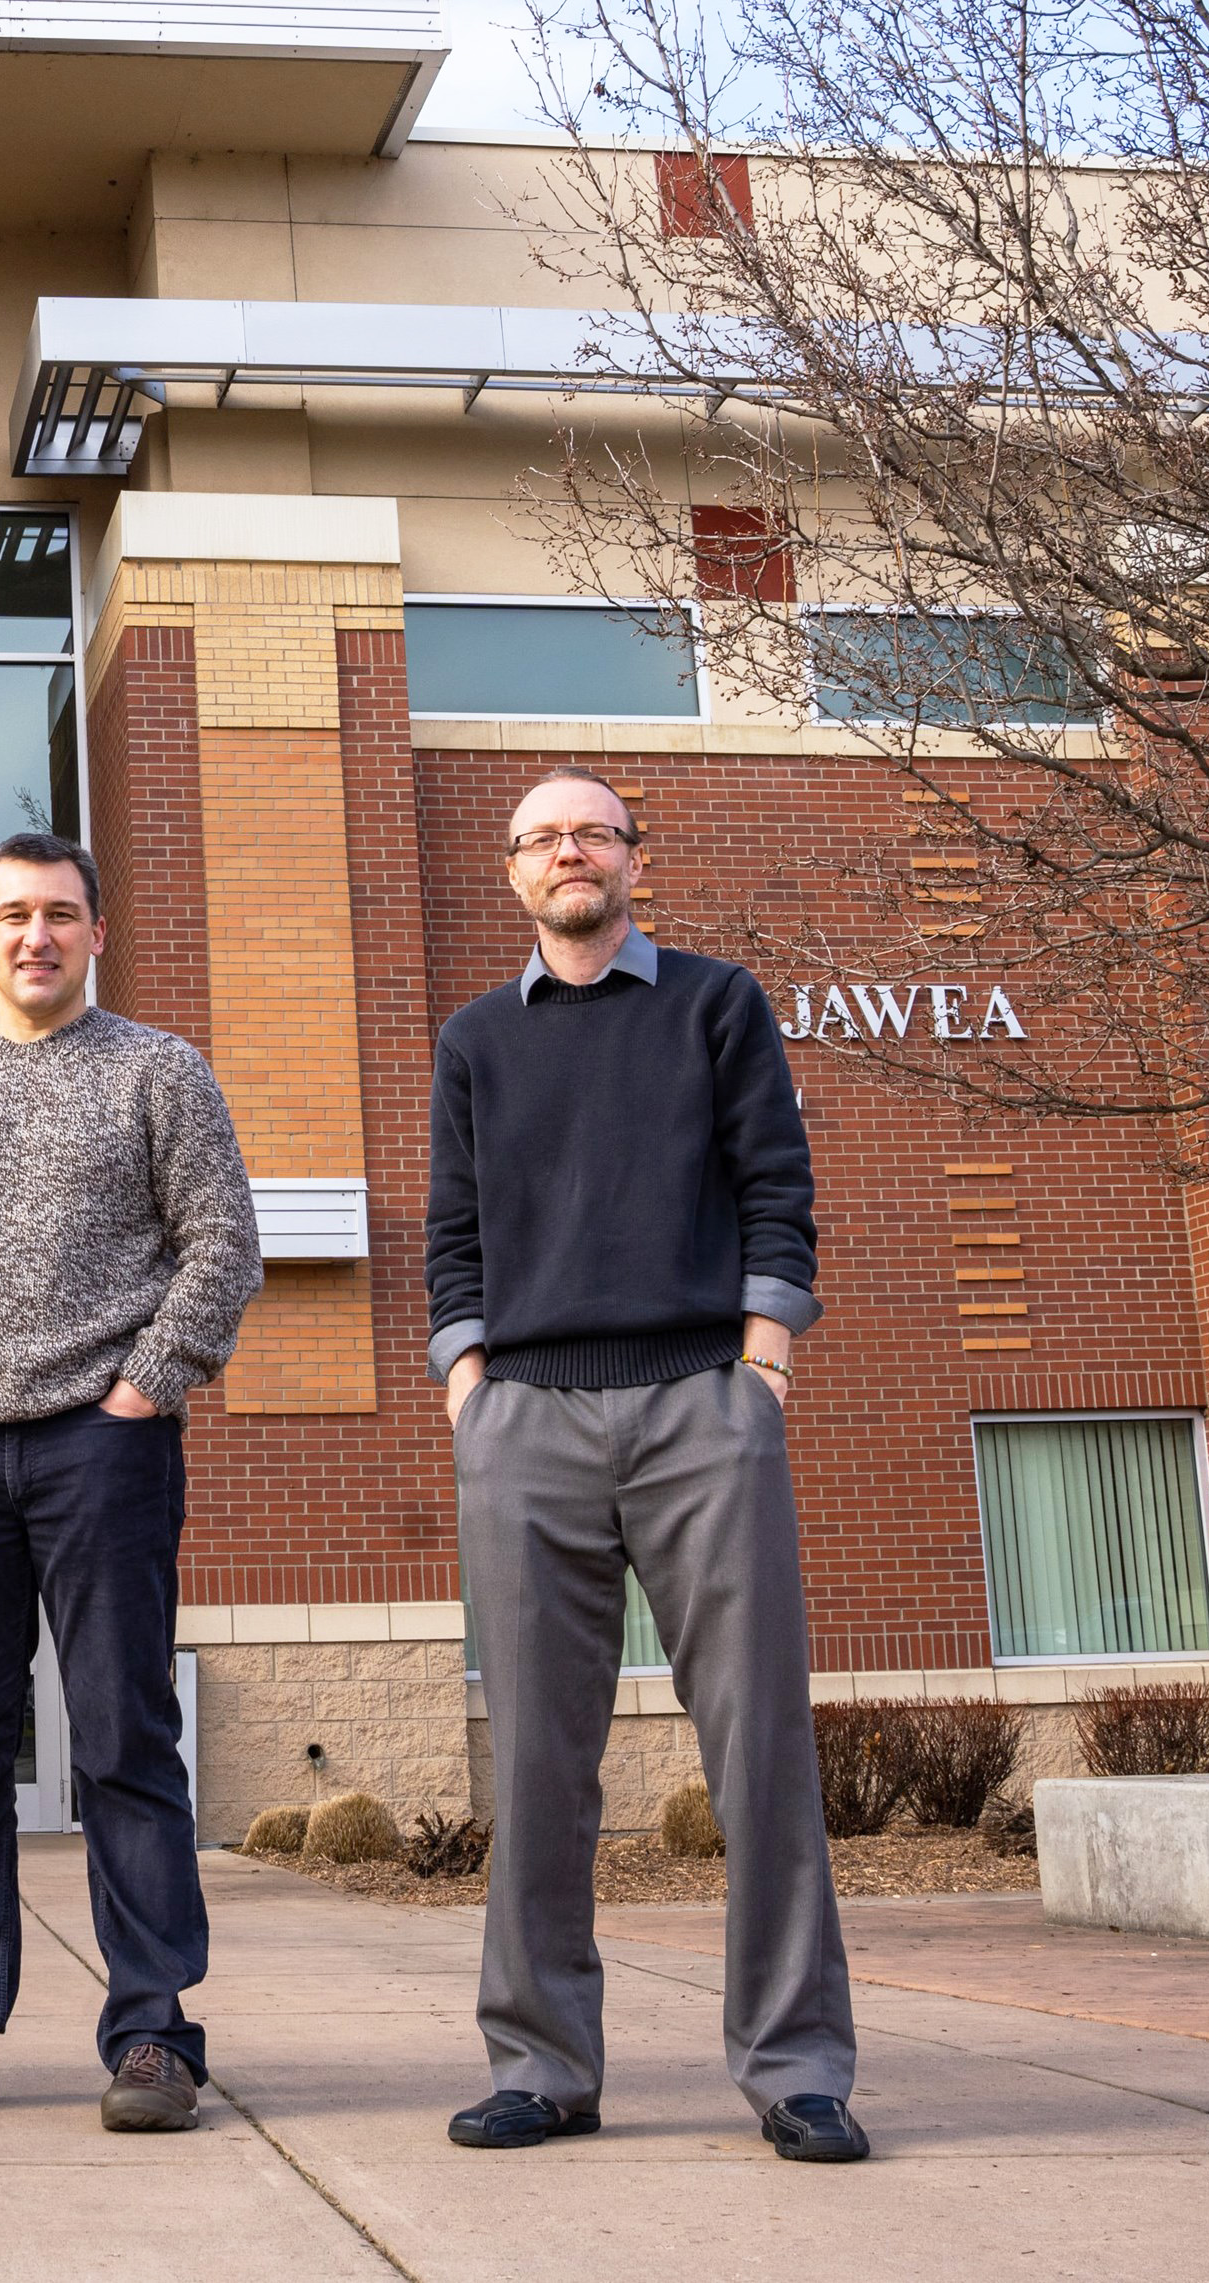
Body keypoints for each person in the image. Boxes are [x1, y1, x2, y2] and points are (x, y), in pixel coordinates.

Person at [426, 772, 864, 2165]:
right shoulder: (475, 1037)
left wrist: (762, 1362)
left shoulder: (715, 1001)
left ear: (632, 859)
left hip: (701, 1409)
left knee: (760, 1749)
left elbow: (778, 1189)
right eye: (546, 836)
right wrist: (468, 1385)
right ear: (514, 872)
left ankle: (796, 2067)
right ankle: (543, 2064)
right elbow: (453, 1230)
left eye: (594, 831)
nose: (571, 851)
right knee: (543, 1761)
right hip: (527, 1422)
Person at [0, 832, 262, 2136]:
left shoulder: (159, 1071)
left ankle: (152, 2033)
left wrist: (141, 1392)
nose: (36, 935)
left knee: (125, 1739)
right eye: (13, 914)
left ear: (96, 931)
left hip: (102, 1443)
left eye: (60, 914)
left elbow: (222, 1243)